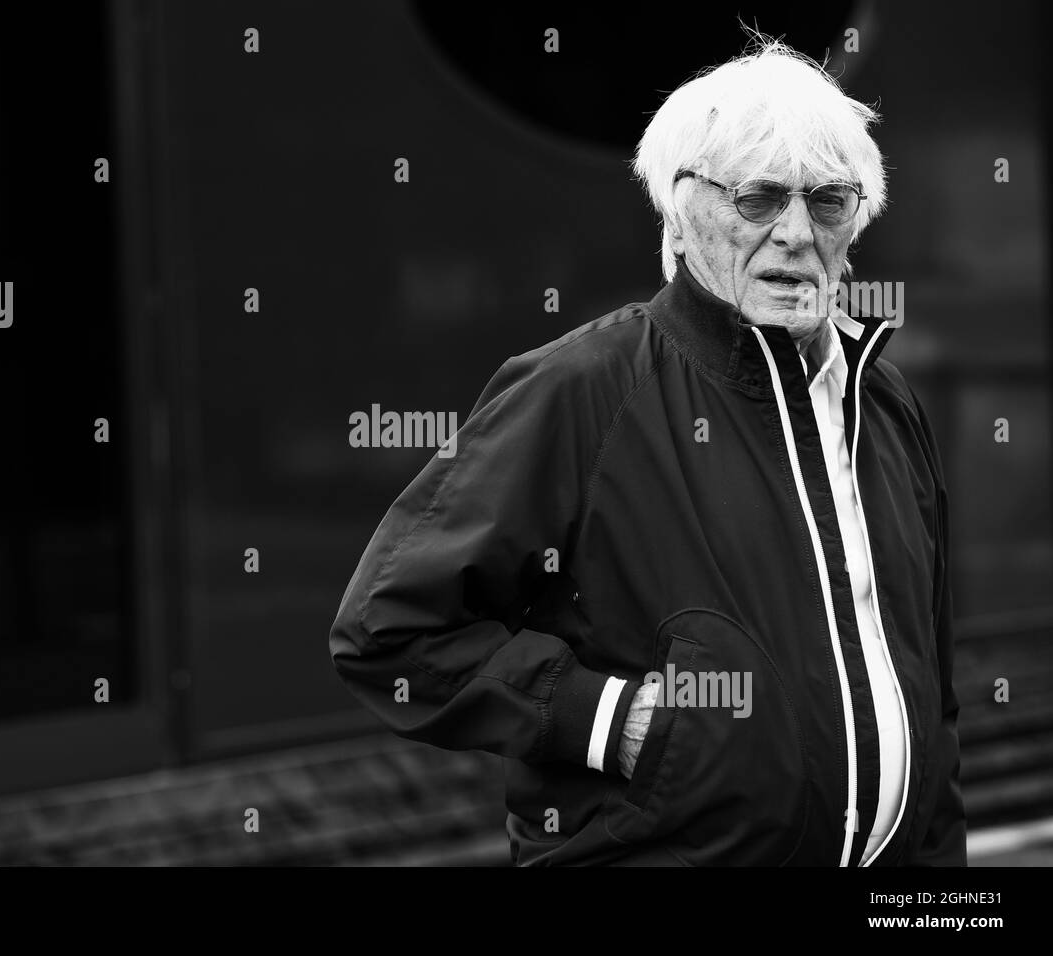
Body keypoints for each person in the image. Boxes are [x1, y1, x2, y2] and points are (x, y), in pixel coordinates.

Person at [328, 37, 966, 866]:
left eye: (830, 201)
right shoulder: (582, 388)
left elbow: (932, 697)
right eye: (759, 198)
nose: (798, 234)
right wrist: (601, 717)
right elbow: (387, 629)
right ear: (679, 206)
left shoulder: (882, 400)